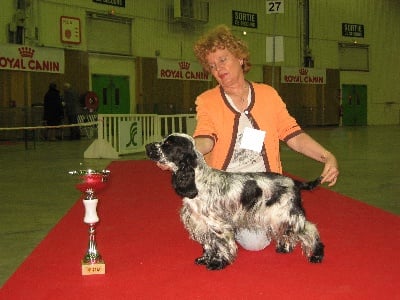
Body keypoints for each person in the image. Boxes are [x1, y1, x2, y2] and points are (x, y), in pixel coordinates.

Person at [159, 25, 339, 251]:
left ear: (241, 58)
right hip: (225, 186)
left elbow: (293, 135)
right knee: (240, 235)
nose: (218, 69)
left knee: (256, 244)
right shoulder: (207, 100)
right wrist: (185, 152)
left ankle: (249, 221)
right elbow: (206, 137)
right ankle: (228, 222)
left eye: (223, 60)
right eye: (212, 66)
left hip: (261, 187)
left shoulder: (268, 95)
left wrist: (326, 156)